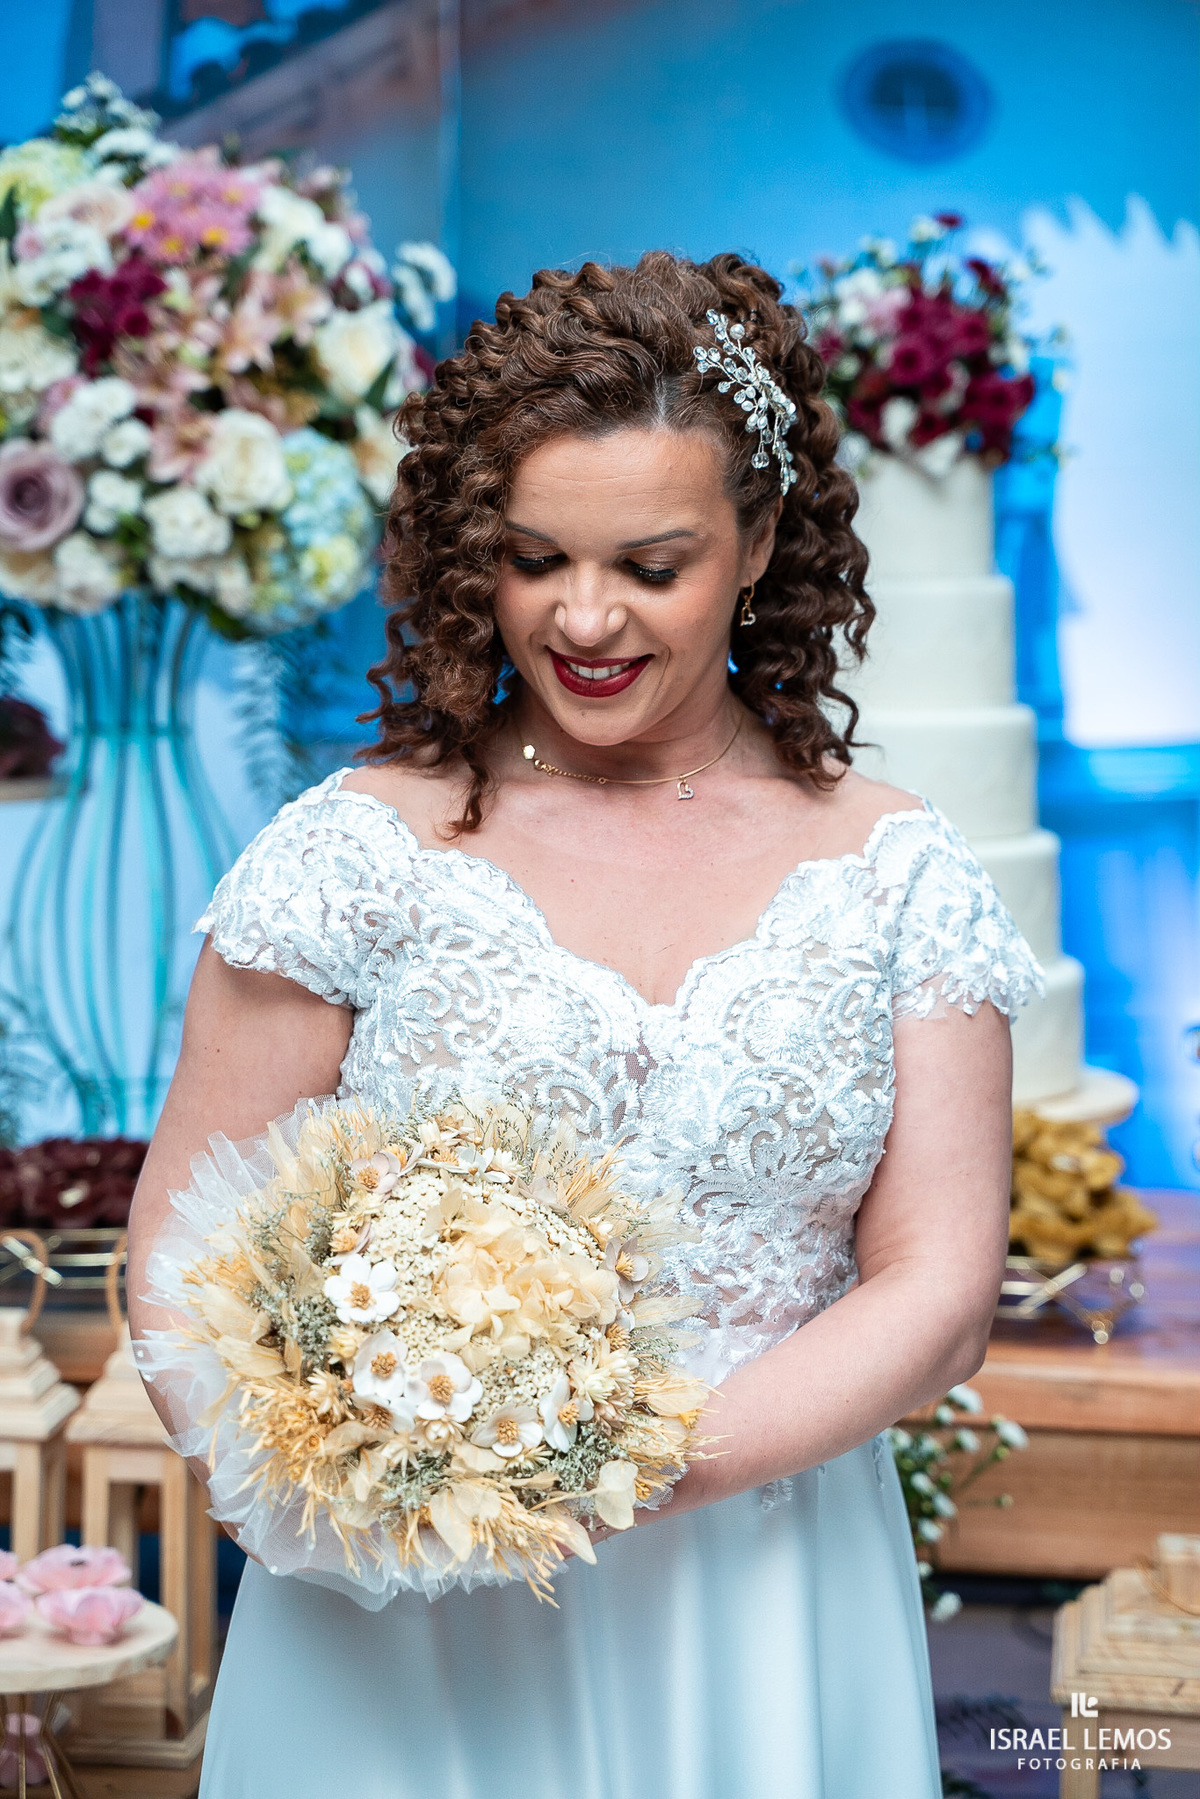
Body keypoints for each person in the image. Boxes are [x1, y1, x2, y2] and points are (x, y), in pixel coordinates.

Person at [127, 251, 1041, 1799]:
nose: (586, 616)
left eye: (653, 563)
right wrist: (352, 1488)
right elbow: (177, 1255)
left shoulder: (896, 869)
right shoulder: (358, 847)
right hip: (403, 1601)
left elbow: (939, 1288)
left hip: (760, 1594)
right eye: (537, 557)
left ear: (756, 546)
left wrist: (600, 1479)